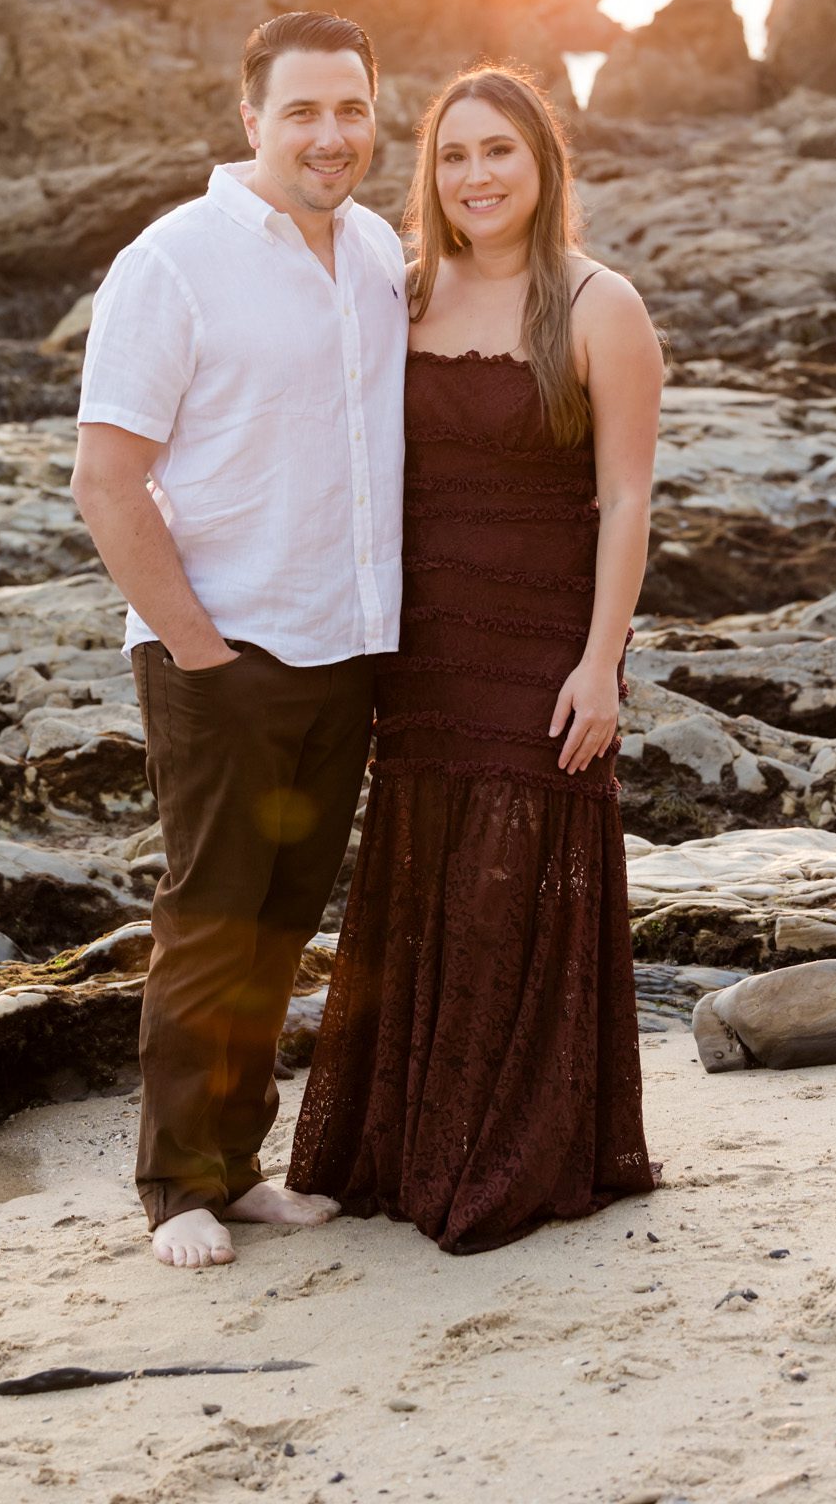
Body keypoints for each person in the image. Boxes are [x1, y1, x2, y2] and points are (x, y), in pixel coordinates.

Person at [288, 62, 663, 1253]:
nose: (476, 175)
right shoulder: (396, 296)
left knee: (513, 884)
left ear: (542, 162)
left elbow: (626, 498)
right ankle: (408, 1151)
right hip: (420, 646)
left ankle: (506, 1151)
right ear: (430, 175)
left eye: (498, 149)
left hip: (542, 642)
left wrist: (602, 661)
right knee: (425, 877)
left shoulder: (599, 303)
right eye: (453, 155)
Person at [71, 11, 407, 1271]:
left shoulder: (376, 249)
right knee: (211, 917)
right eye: (304, 110)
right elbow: (106, 479)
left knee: (281, 922)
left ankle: (240, 1164)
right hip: (220, 648)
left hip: (346, 646)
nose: (331, 134)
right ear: (252, 117)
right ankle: (175, 1186)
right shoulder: (173, 261)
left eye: (352, 109)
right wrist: (200, 651)